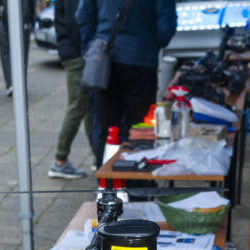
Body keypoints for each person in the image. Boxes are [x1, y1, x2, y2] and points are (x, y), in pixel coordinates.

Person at [77, 0, 176, 162]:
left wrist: (92, 46)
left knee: (107, 130)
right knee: (139, 129)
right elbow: (167, 26)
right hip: (141, 60)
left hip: (106, 59)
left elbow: (83, 17)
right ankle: (134, 181)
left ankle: (107, 182)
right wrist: (150, 44)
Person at [49, 0, 91, 179]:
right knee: (78, 106)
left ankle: (100, 154)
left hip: (73, 51)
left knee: (88, 106)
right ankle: (60, 160)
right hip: (76, 54)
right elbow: (75, 21)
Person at [0, 0, 33, 96]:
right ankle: (19, 83)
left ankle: (11, 83)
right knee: (22, 54)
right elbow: (31, 5)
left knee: (6, 53)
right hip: (22, 23)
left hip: (6, 22)